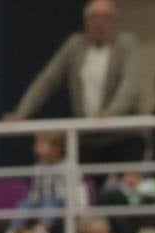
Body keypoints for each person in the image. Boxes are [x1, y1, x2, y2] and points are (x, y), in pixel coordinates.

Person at [9, 0, 144, 137]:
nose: (100, 23)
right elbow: (47, 81)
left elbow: (130, 85)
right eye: (94, 18)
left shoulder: (127, 44)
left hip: (123, 134)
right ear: (85, 22)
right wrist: (21, 113)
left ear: (115, 21)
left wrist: (112, 112)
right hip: (87, 135)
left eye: (106, 17)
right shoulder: (74, 45)